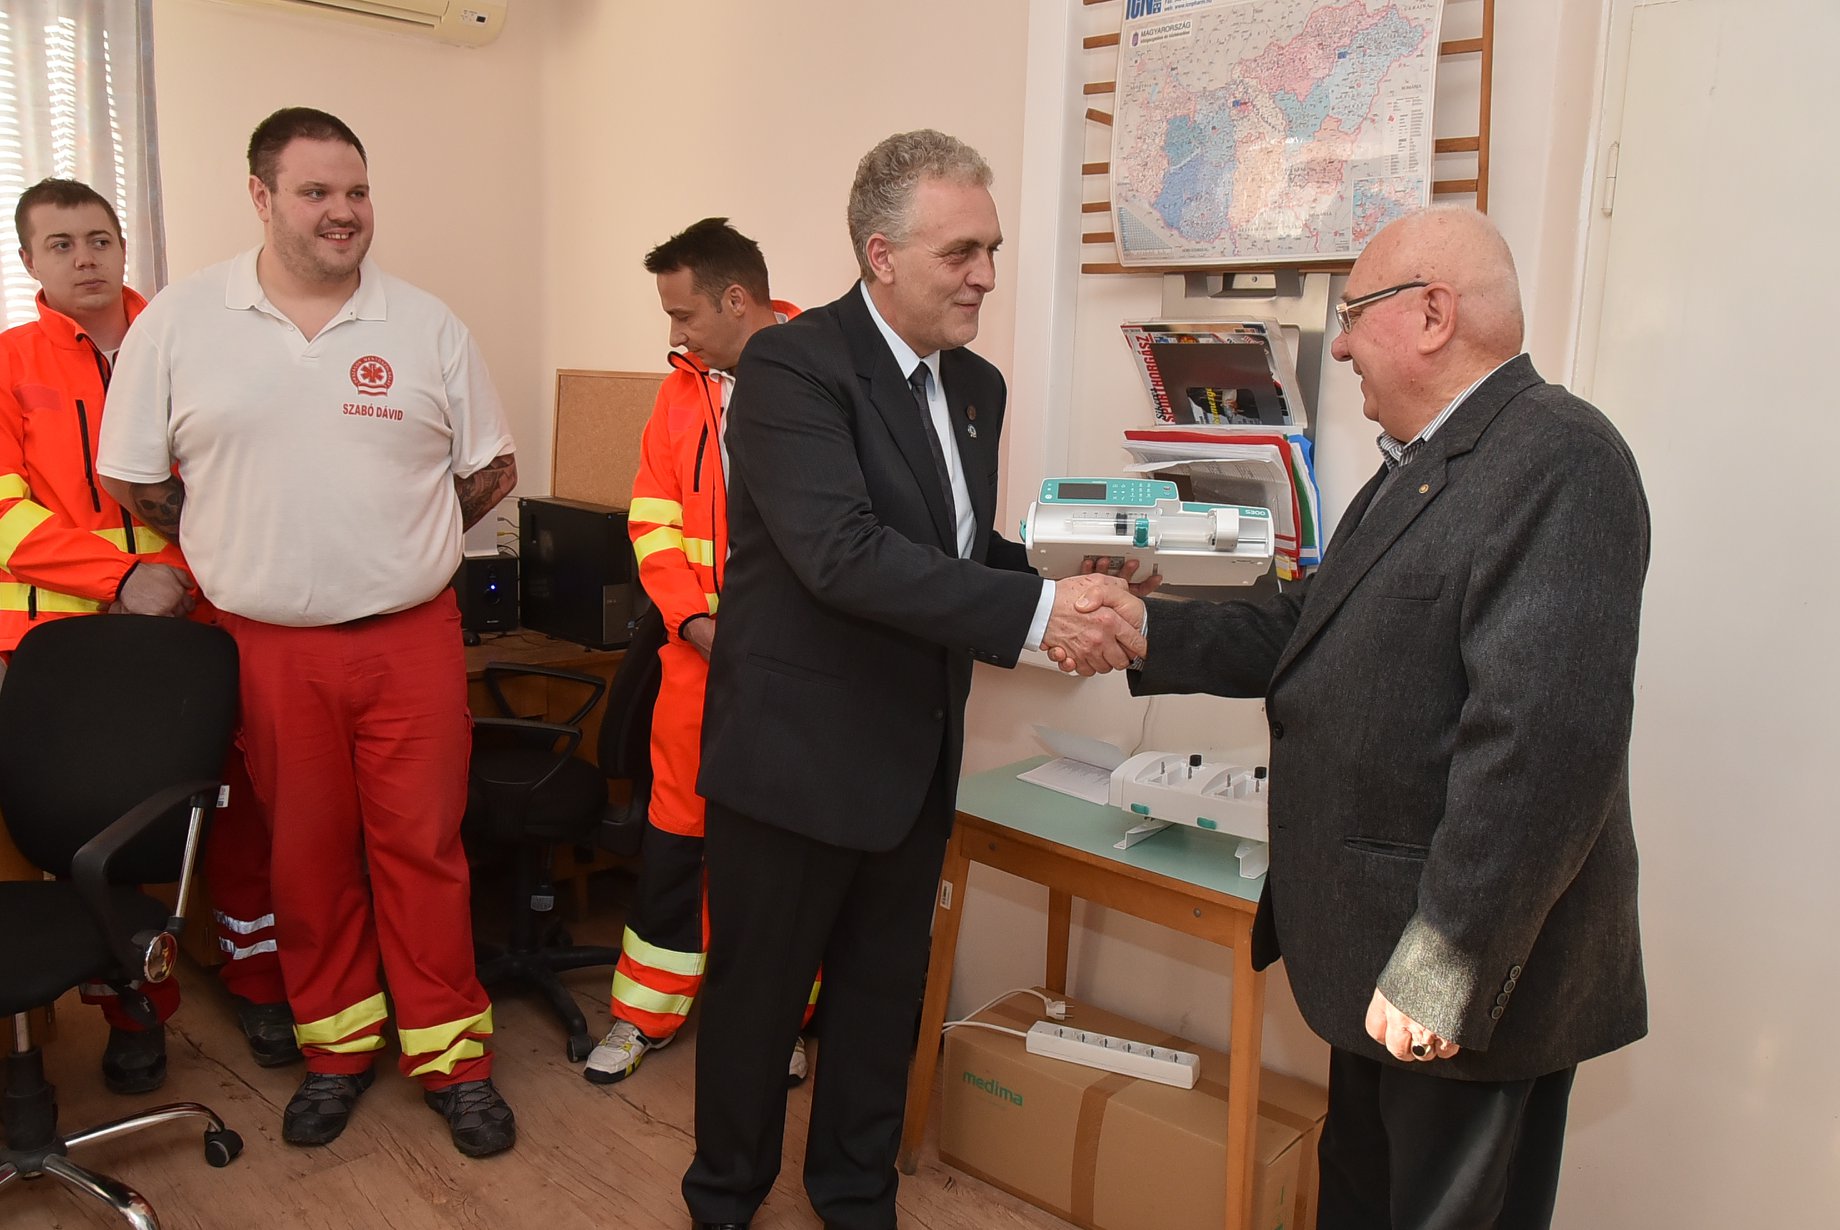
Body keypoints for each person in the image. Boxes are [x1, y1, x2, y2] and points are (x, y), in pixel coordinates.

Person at [1082, 205, 1649, 1230]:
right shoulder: (1422, 463)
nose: (1338, 347)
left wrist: (1443, 969)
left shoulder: (1559, 460)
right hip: (1371, 953)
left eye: (1353, 315)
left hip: (1452, 977)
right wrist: (1145, 628)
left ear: (1433, 314)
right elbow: (1311, 627)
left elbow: (1541, 751)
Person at [681, 130, 1144, 1230]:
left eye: (991, 250)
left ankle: (855, 1198)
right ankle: (723, 1201)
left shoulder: (974, 386)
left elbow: (953, 552)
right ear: (880, 255)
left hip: (912, 758)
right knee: (755, 1009)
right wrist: (1045, 617)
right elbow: (842, 555)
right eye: (960, 253)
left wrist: (1064, 581)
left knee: (883, 1002)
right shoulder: (792, 367)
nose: (985, 275)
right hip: (793, 764)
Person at [96, 108, 519, 1158]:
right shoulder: (182, 321)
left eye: (356, 191)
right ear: (261, 196)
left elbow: (492, 467)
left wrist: (401, 540)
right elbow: (135, 478)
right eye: (316, 192)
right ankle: (337, 1053)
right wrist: (236, 542)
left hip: (411, 639)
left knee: (424, 851)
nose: (343, 212)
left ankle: (453, 1061)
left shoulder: (426, 324)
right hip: (269, 647)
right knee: (307, 856)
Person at [0, 177, 296, 1094]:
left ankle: (255, 982)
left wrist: (182, 579)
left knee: (223, 814)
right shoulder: (8, 363)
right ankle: (133, 1012)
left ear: (124, 246)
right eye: (61, 245)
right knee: (79, 832)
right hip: (58, 645)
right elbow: (5, 513)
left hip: (193, 622)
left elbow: (237, 483)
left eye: (99, 239)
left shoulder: (187, 342)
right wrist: (121, 577)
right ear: (30, 261)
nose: (84, 258)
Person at [584, 218, 821, 1087]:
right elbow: (652, 524)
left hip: (790, 669)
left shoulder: (822, 375)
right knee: (676, 841)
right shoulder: (678, 395)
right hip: (694, 660)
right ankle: (644, 1013)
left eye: (684, 315)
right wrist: (689, 622)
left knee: (779, 856)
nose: (674, 333)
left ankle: (779, 1020)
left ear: (737, 299)